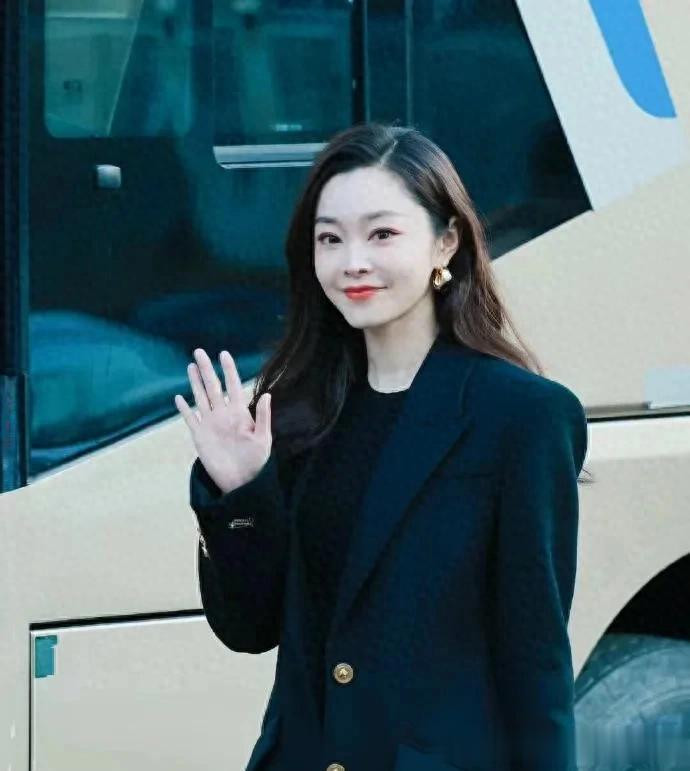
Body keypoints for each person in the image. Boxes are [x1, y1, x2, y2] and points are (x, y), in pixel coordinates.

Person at [174, 122, 588, 771]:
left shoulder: (522, 417)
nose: (353, 262)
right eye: (330, 238)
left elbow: (535, 665)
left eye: (382, 234)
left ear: (446, 241)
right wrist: (241, 493)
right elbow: (249, 629)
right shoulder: (298, 411)